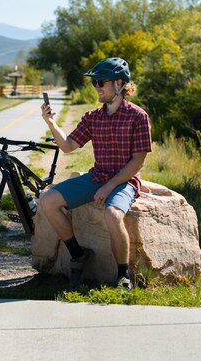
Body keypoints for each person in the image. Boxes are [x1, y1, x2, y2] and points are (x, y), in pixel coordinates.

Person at [39, 57, 152, 289]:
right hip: (97, 176)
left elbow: (138, 161)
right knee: (47, 200)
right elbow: (68, 146)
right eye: (95, 83)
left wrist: (110, 186)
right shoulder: (93, 117)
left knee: (112, 215)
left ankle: (123, 275)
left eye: (101, 82)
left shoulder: (138, 117)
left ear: (120, 83)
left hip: (124, 181)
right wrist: (51, 122)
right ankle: (78, 255)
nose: (97, 87)